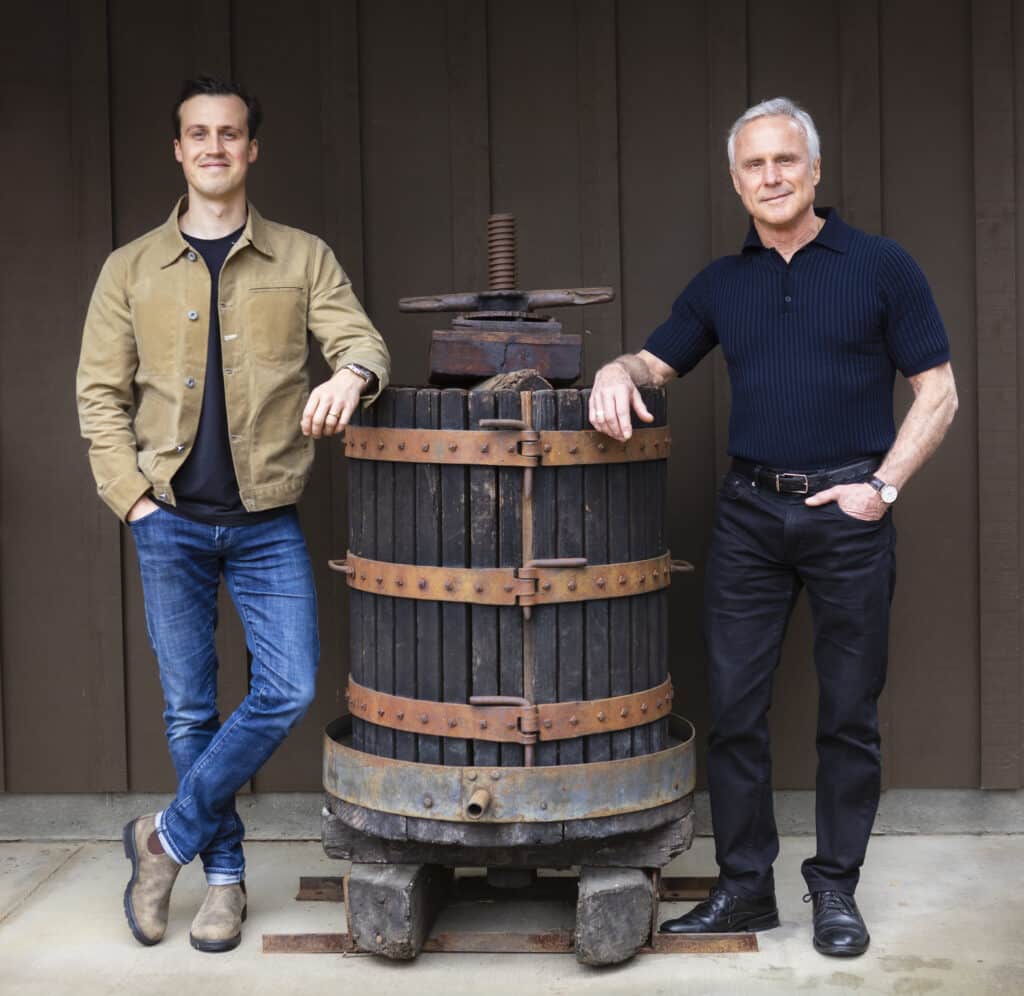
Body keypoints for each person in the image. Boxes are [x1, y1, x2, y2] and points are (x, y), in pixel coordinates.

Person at [589, 97, 957, 957]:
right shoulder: (724, 283)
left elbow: (937, 392)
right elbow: (654, 360)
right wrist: (615, 370)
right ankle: (746, 889)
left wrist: (884, 488)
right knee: (737, 711)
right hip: (750, 514)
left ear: (815, 169)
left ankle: (835, 891)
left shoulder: (880, 267)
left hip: (848, 515)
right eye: (753, 166)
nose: (771, 177)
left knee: (848, 714)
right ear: (736, 181)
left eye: (785, 161)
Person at [76, 77, 390, 953]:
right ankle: (223, 879)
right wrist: (131, 500)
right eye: (197, 134)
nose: (214, 147)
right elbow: (98, 394)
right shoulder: (129, 268)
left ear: (252, 149)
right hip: (167, 516)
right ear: (178, 150)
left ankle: (163, 839)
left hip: (264, 520)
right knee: (189, 709)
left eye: (230, 134)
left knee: (287, 684)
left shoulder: (302, 258)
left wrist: (349, 377)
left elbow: (362, 340)